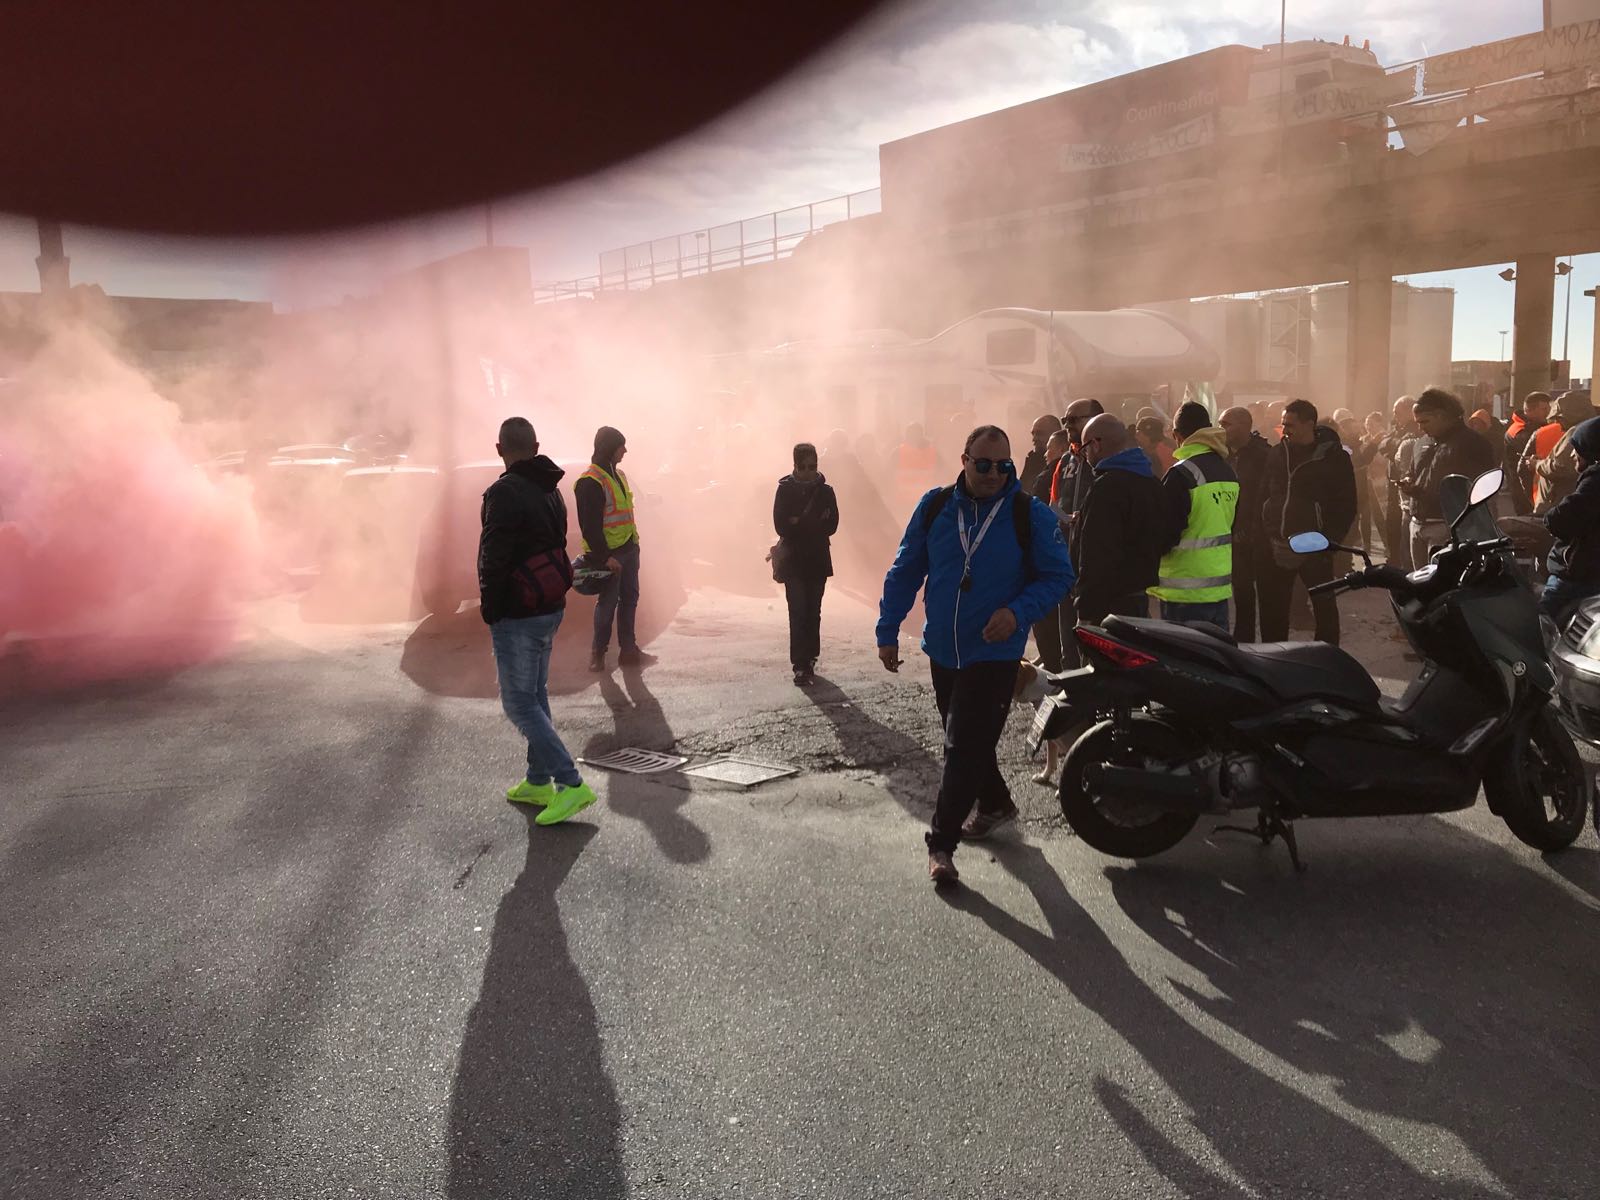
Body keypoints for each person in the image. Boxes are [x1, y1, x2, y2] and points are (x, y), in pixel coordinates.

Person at [877, 425, 1075, 886]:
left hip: (996, 653)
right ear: (964, 459)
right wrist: (887, 629)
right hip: (944, 648)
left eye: (1003, 465)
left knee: (961, 745)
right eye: (983, 464)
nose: (993, 473)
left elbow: (1058, 577)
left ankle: (941, 844)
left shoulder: (1030, 515)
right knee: (966, 737)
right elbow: (905, 569)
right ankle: (996, 804)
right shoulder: (936, 506)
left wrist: (1017, 612)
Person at [478, 417, 597, 825]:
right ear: (536, 445)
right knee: (535, 693)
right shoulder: (551, 489)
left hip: (518, 610)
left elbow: (493, 556)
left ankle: (570, 783)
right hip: (549, 603)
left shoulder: (503, 492)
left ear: (499, 449)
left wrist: (490, 607)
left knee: (518, 703)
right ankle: (537, 780)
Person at [1259, 399, 1357, 645]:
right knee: (1274, 609)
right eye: (1283, 424)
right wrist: (1265, 533)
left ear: (1309, 424)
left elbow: (1346, 505)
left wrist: (1329, 542)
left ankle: (1327, 656)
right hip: (1278, 542)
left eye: (1290, 424)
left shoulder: (1333, 458)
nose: (1284, 429)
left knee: (1324, 605)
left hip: (1315, 545)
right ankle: (1274, 656)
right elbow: (1264, 495)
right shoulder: (1277, 453)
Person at [1150, 403, 1239, 629]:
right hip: (1218, 588)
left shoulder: (1182, 474)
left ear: (1177, 435)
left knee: (1184, 661)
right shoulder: (1227, 470)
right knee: (1215, 659)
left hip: (1183, 593)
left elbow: (1165, 533)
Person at [1071, 414, 1165, 625]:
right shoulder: (1150, 481)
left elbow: (1097, 555)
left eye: (1084, 448)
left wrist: (1086, 611)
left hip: (1108, 608)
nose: (1084, 454)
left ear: (1096, 444)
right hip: (1138, 600)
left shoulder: (1107, 488)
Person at [575, 425, 649, 673]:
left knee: (630, 600)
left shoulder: (619, 475)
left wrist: (633, 546)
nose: (625, 451)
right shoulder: (590, 482)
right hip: (610, 556)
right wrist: (605, 557)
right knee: (607, 604)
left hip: (629, 549)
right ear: (609, 449)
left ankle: (629, 650)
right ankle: (598, 653)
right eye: (621, 446)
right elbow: (589, 527)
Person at [1401, 387, 1497, 569]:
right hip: (1417, 523)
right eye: (1418, 422)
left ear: (1441, 415)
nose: (1420, 427)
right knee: (1420, 587)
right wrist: (1408, 482)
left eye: (1425, 421)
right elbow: (1413, 472)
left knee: (1446, 587)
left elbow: (1482, 489)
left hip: (1448, 528)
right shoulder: (1421, 442)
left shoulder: (1472, 443)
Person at [772, 443, 839, 687]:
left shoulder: (826, 491)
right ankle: (800, 664)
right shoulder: (784, 490)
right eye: (804, 467)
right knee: (798, 610)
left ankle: (811, 656)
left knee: (813, 611)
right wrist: (813, 523)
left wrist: (799, 521)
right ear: (795, 466)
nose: (810, 471)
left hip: (817, 560)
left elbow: (832, 525)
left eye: (813, 466)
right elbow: (780, 525)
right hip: (793, 562)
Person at [1541, 416, 1600, 625]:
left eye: (1578, 448)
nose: (1573, 454)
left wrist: (1549, 518)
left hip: (1578, 576)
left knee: (1542, 627)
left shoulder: (1595, 481)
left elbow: (1562, 518)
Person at [1219, 405, 1271, 641]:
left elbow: (1268, 496)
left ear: (1243, 425)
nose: (1221, 429)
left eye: (1226, 424)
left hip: (1262, 536)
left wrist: (1253, 528)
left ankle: (1273, 644)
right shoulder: (1224, 455)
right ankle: (1243, 639)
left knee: (1270, 596)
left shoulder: (1264, 454)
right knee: (1242, 592)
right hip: (1235, 535)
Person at [1529, 391, 1598, 512]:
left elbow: (1561, 467)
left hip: (1556, 503)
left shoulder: (1575, 432)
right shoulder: (1589, 430)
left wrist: (1537, 464)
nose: (1558, 424)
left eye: (1559, 418)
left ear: (1570, 415)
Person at [1378, 395, 1420, 570]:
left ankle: (1401, 563)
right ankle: (1394, 557)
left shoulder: (1415, 430)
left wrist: (1393, 445)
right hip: (1394, 484)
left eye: (1397, 413)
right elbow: (1384, 444)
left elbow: (1400, 447)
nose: (1395, 417)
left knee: (1400, 526)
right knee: (1391, 524)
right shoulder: (1398, 429)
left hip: (1405, 487)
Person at [1505, 391, 1551, 515]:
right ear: (1529, 410)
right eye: (1544, 409)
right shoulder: (1517, 430)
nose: (1548, 411)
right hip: (1523, 487)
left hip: (1534, 484)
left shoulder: (1536, 427)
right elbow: (1533, 448)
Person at [1019, 414, 1062, 495]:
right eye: (1033, 433)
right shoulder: (1032, 460)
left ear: (1055, 433)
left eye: (1039, 433)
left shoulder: (1066, 464)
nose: (1034, 439)